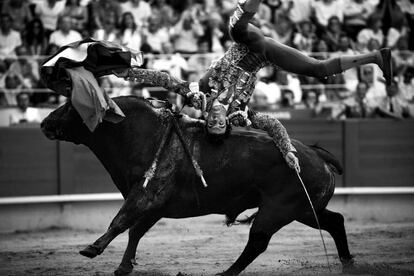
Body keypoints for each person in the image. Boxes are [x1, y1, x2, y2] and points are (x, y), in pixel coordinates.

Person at [122, 0, 393, 172]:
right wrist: (288, 151)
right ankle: (377, 57)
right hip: (265, 54)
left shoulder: (199, 97)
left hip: (247, 42)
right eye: (221, 124)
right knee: (318, 70)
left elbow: (164, 79)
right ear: (227, 124)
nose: (216, 120)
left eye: (212, 124)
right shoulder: (240, 113)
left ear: (206, 121)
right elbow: (274, 125)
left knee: (236, 30)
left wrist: (129, 73)